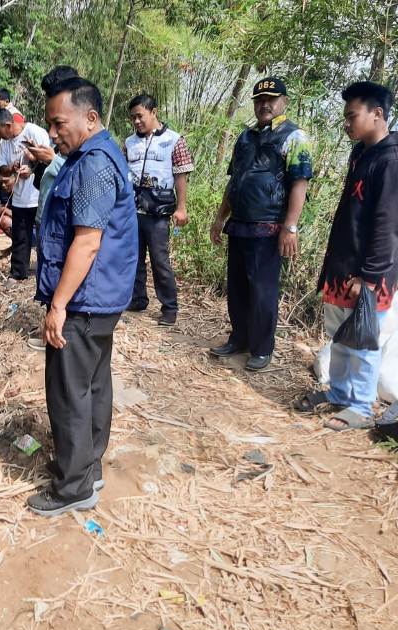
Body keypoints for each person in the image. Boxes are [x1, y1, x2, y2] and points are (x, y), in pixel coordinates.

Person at [28, 76, 138, 517]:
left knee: (69, 392)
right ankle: (88, 469)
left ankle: (72, 487)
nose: (53, 134)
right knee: (93, 386)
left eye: (59, 123)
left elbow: (87, 242)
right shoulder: (92, 155)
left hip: (83, 300)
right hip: (100, 299)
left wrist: (58, 306)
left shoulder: (93, 164)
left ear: (89, 118)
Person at [296, 81, 398, 430]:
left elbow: (388, 226)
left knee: (364, 340)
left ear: (378, 114)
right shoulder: (360, 154)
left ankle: (360, 406)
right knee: (340, 335)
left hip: (369, 275)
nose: (346, 123)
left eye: (352, 116)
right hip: (343, 266)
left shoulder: (390, 161)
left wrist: (369, 278)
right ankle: (339, 393)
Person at [209, 77, 313, 370]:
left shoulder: (295, 137)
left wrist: (289, 227)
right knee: (239, 287)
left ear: (284, 101)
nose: (264, 104)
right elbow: (235, 180)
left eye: (271, 98)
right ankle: (238, 338)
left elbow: (300, 183)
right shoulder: (245, 136)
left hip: (269, 227)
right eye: (259, 99)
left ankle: (262, 348)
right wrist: (220, 217)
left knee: (263, 291)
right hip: (240, 224)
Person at [124, 93, 194, 325]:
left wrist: (181, 208)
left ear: (154, 112)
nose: (136, 121)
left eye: (140, 116)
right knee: (133, 258)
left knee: (159, 260)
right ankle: (137, 299)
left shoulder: (174, 140)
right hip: (133, 211)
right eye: (132, 117)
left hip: (158, 213)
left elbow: (181, 175)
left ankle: (169, 308)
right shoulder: (129, 142)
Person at [24, 65, 80, 352]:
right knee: (47, 275)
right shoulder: (63, 140)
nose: (53, 132)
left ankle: (56, 332)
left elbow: (74, 174)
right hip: (46, 219)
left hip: (61, 224)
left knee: (57, 279)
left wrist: (50, 160)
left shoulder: (85, 146)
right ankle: (50, 327)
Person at [0, 108, 51, 285]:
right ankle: (18, 272)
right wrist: (13, 167)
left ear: (8, 125)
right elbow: (2, 169)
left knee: (43, 237)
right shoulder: (5, 143)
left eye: (0, 131)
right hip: (19, 197)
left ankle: (44, 273)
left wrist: (32, 164)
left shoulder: (36, 132)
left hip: (38, 195)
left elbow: (50, 161)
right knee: (20, 235)